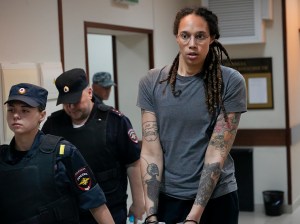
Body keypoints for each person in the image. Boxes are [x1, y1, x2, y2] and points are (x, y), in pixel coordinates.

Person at [137, 6, 247, 224]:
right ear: (177, 37)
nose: (192, 44)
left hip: (216, 199)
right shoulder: (151, 82)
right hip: (169, 198)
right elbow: (150, 151)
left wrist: (193, 218)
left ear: (212, 38)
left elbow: (217, 153)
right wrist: (151, 213)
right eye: (185, 36)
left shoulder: (231, 82)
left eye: (200, 36)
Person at [0, 83, 114, 224]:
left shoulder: (63, 153)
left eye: (25, 110)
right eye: (11, 110)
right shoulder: (2, 158)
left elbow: (94, 201)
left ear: (41, 115)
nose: (16, 115)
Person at [42, 68, 145, 224]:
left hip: (110, 207)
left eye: (75, 101)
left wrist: (138, 202)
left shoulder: (114, 121)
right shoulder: (53, 124)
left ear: (89, 93)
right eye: (66, 103)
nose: (70, 107)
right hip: (69, 211)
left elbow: (133, 162)